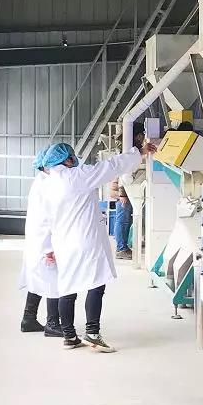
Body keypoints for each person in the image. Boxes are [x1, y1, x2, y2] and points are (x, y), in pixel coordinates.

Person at [43, 139, 157, 350]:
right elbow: (111, 166)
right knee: (97, 282)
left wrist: (48, 247)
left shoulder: (49, 184)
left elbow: (46, 219)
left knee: (67, 287)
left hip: (63, 242)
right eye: (72, 156)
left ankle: (69, 336)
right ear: (67, 160)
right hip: (85, 241)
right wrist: (139, 152)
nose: (75, 159)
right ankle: (92, 333)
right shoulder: (78, 176)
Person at [18, 146, 63, 337]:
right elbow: (47, 219)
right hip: (45, 242)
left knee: (36, 279)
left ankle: (28, 319)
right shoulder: (48, 185)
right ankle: (53, 323)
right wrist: (49, 248)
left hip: (37, 241)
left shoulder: (41, 181)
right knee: (54, 281)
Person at [113, 122, 146, 260]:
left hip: (127, 187)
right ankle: (121, 249)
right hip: (124, 189)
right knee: (123, 220)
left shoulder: (130, 147)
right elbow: (124, 172)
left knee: (126, 219)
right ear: (138, 136)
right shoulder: (128, 149)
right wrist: (122, 193)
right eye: (142, 135)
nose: (143, 137)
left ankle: (123, 246)